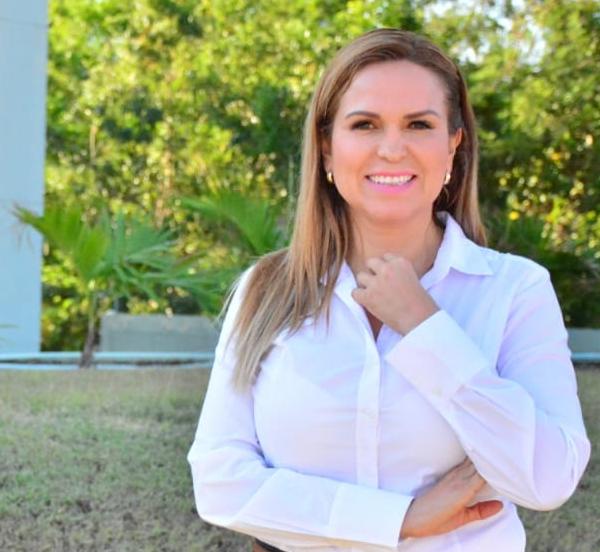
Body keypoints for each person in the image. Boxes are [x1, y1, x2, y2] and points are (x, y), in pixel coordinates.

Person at [187, 28, 590, 552]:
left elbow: (549, 479)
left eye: (419, 124)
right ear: (327, 148)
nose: (393, 148)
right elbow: (219, 482)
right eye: (365, 124)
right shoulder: (265, 290)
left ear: (453, 145)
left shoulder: (516, 290)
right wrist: (400, 519)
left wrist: (426, 328)